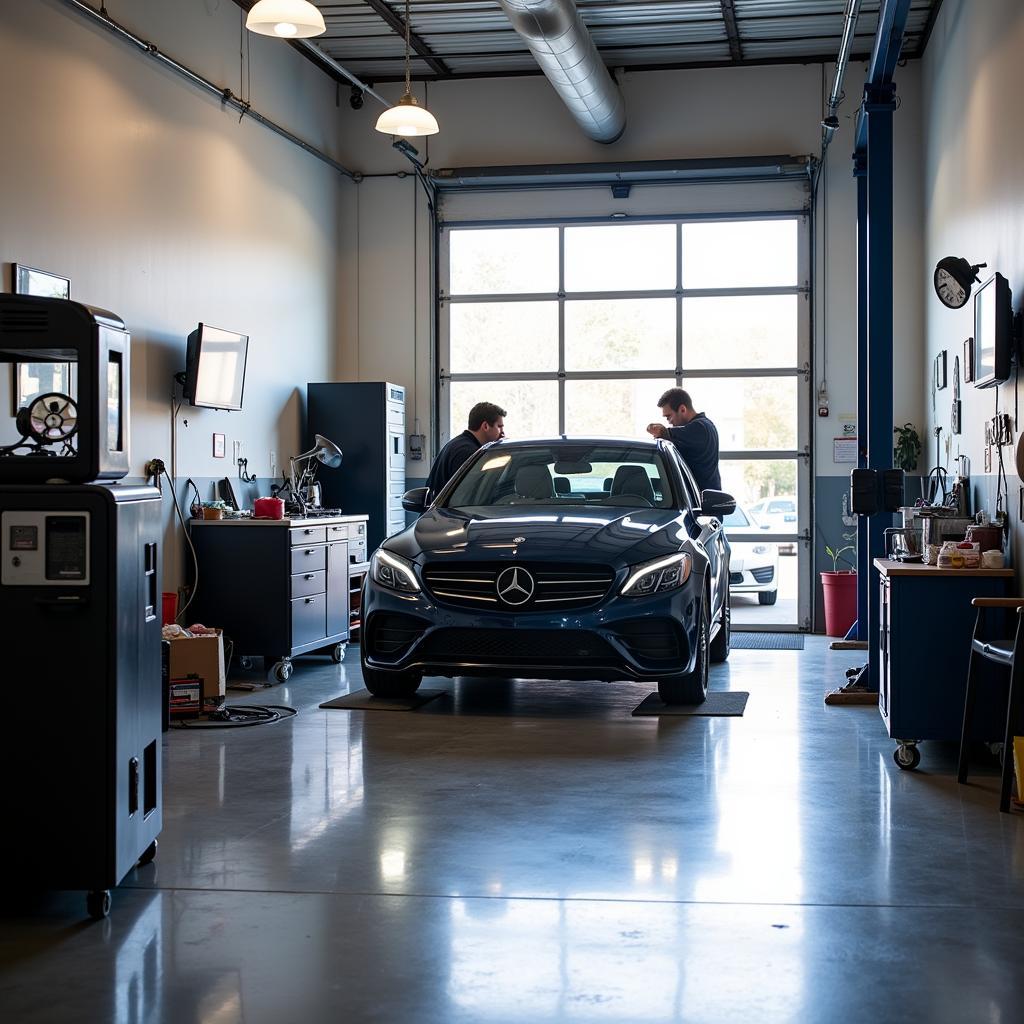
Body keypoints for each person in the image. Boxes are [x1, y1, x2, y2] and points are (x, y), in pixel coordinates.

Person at [425, 401, 506, 502]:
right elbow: (467, 496)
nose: (503, 432)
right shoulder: (467, 453)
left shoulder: (457, 444)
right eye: (499, 426)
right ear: (485, 426)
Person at [646, 387, 721, 495]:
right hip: (700, 500)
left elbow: (660, 431)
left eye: (669, 416)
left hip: (705, 505)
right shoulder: (704, 426)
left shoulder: (700, 428)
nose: (669, 422)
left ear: (682, 409)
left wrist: (656, 430)